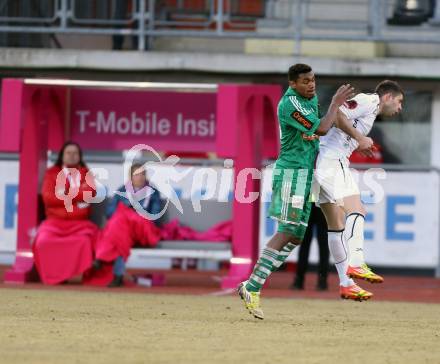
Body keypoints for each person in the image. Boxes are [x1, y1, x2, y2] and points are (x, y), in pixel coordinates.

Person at [237, 64, 374, 320]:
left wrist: (357, 137)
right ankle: (252, 285)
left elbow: (333, 122)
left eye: (313, 80)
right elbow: (322, 129)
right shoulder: (290, 105)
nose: (311, 84)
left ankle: (251, 285)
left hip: (307, 175)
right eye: (305, 81)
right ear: (293, 84)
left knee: (297, 237)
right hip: (291, 173)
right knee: (287, 231)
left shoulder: (310, 102)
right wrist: (334, 102)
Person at [314, 80, 404, 301]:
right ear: (387, 97)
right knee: (358, 210)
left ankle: (346, 284)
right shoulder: (369, 100)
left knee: (335, 226)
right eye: (399, 101)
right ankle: (356, 262)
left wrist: (359, 142)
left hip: (322, 163)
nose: (400, 108)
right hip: (332, 161)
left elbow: (344, 126)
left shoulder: (371, 112)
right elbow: (336, 115)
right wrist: (359, 138)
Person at [32, 141, 98, 284]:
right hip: (53, 224)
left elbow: (89, 194)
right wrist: (76, 196)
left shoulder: (86, 173)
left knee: (84, 242)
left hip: (80, 225)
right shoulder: (51, 173)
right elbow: (49, 198)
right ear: (62, 155)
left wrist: (64, 193)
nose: (72, 156)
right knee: (43, 242)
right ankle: (54, 277)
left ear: (80, 156)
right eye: (68, 153)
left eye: (75, 153)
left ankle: (75, 277)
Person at [92, 163, 162, 287]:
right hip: (125, 229)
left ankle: (101, 257)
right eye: (136, 174)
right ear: (130, 177)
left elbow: (155, 216)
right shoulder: (122, 190)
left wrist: (134, 212)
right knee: (121, 230)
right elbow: (110, 212)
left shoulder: (153, 192)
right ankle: (118, 275)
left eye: (142, 174)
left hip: (143, 228)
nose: (140, 177)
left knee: (122, 217)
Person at [291, 204, 329, 291]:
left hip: (310, 203)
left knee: (306, 243)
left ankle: (299, 280)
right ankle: (322, 281)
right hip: (321, 202)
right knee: (323, 244)